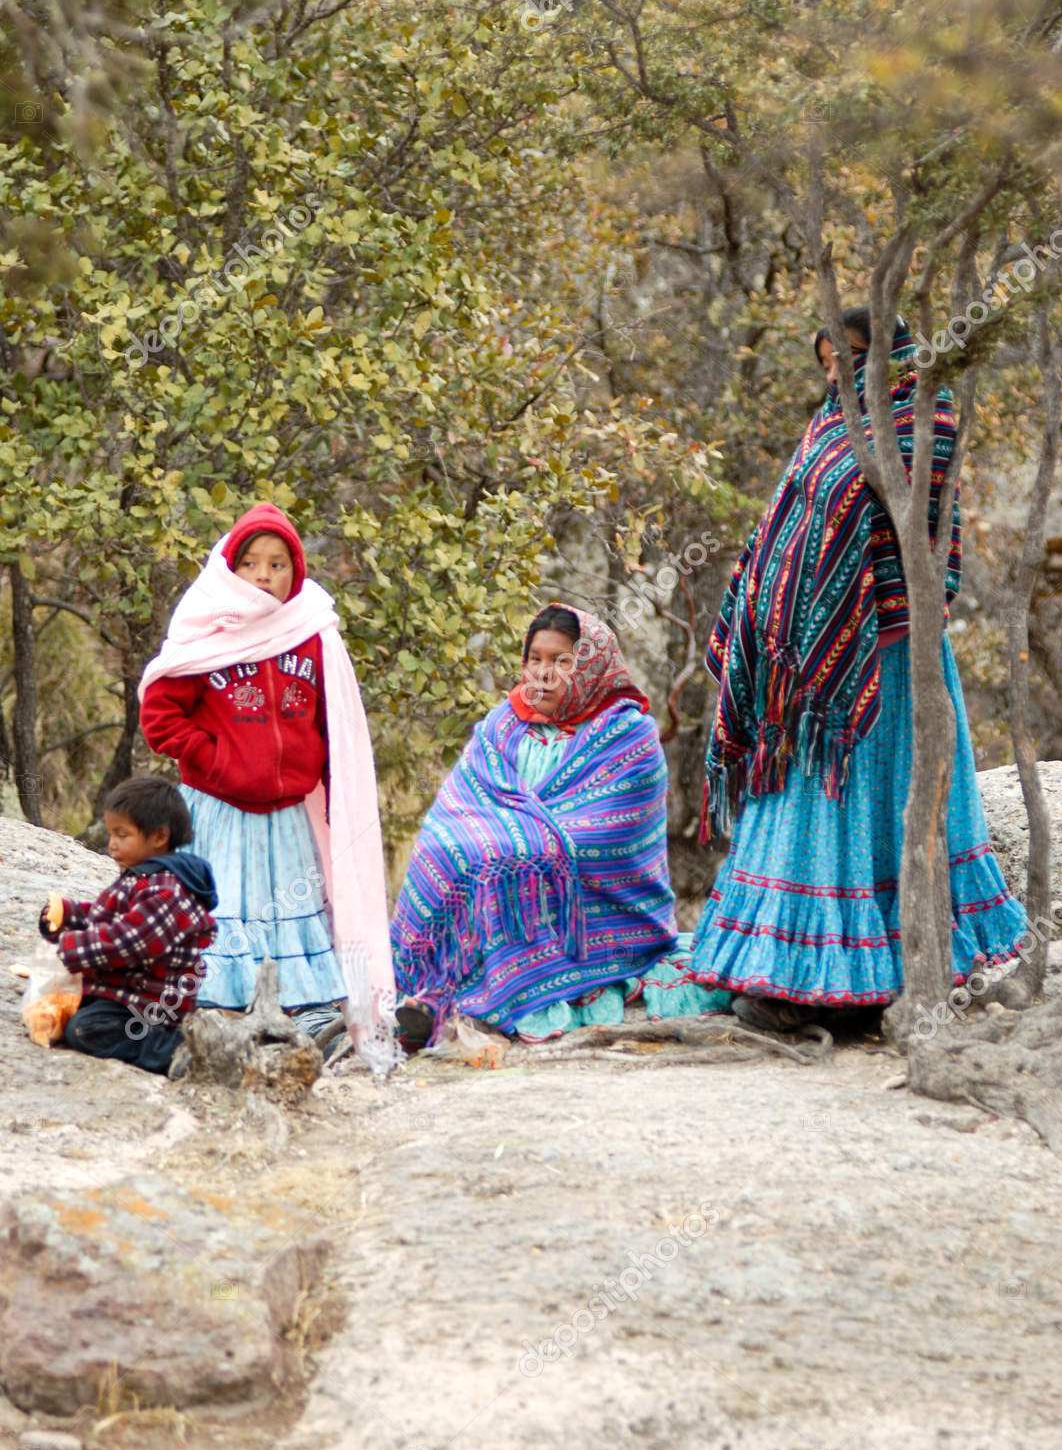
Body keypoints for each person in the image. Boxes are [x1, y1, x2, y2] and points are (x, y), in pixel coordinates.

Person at [691, 308, 1027, 1031]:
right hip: (815, 680)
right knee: (810, 814)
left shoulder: (924, 423)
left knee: (870, 813)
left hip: (892, 660)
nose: (835, 375)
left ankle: (877, 983)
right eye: (825, 364)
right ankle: (789, 978)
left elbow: (914, 525)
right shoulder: (825, 428)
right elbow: (788, 529)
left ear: (891, 355)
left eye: (849, 357)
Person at [391, 603, 731, 1045]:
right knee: (444, 848)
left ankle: (487, 995)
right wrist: (491, 838)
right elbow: (460, 803)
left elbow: (612, 832)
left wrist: (517, 841)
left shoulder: (629, 734)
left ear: (589, 665)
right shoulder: (504, 722)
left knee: (506, 862)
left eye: (561, 661)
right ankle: (432, 985)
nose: (544, 674)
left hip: (596, 895)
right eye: (535, 659)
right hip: (511, 848)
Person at [138, 502, 395, 1060]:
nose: (263, 575)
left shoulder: (310, 630)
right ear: (231, 568)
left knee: (288, 914)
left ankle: (310, 1019)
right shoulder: (207, 629)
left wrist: (334, 788)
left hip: (286, 812)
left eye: (278, 564)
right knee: (224, 910)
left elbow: (336, 722)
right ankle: (215, 1018)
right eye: (251, 563)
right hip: (218, 808)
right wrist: (212, 756)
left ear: (296, 570)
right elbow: (160, 715)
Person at [40, 776, 217, 1073]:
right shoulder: (142, 876)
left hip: (151, 1007)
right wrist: (65, 916)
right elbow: (105, 915)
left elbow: (128, 943)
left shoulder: (167, 892)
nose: (111, 845)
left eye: (122, 835)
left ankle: (172, 1050)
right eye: (111, 834)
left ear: (159, 837)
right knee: (64, 1007)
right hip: (124, 993)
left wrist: (69, 946)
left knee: (85, 1030)